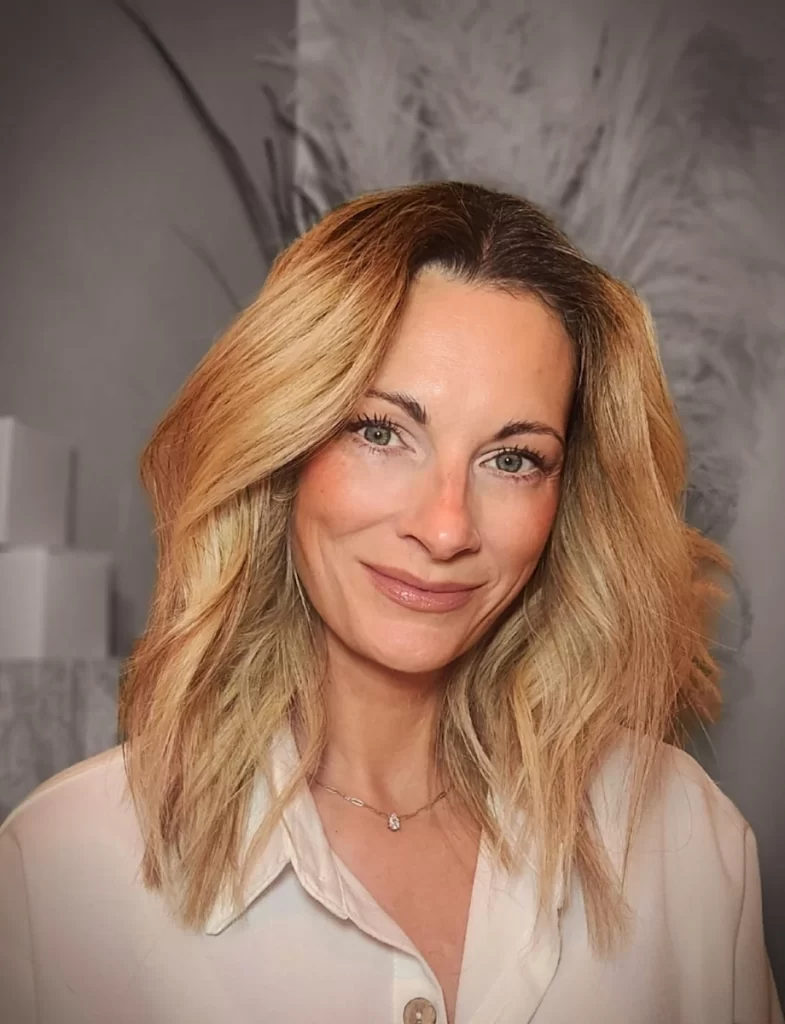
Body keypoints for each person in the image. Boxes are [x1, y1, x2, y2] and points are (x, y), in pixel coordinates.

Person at [0, 181, 781, 1024]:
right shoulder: (65, 868)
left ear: (569, 500)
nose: (445, 529)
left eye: (513, 459)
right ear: (283, 446)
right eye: (379, 432)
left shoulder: (685, 840)